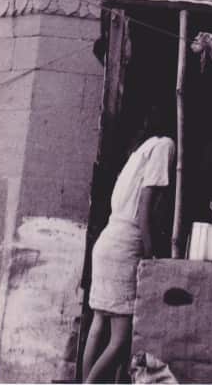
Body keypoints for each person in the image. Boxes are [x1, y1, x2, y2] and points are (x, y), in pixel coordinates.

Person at [82, 109, 175, 383]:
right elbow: (145, 207)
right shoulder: (164, 146)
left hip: (108, 241)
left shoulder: (139, 151)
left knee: (99, 323)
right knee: (122, 339)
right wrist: (150, 255)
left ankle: (85, 381)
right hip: (125, 245)